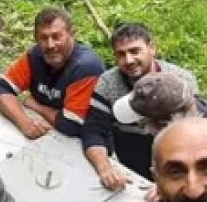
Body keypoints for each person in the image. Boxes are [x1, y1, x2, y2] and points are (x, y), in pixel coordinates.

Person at [82, 23, 198, 190]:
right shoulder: (107, 83)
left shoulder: (181, 81)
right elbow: (93, 130)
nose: (128, 60)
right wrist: (105, 169)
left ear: (152, 48)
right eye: (121, 54)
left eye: (135, 51)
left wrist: (170, 182)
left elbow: (195, 138)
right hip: (130, 168)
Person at [0, 8, 105, 139]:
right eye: (43, 38)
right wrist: (25, 123)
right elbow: (1, 88)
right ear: (36, 39)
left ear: (72, 34)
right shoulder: (34, 56)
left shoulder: (86, 67)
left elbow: (72, 125)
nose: (50, 45)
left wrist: (38, 106)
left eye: (56, 37)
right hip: (47, 129)